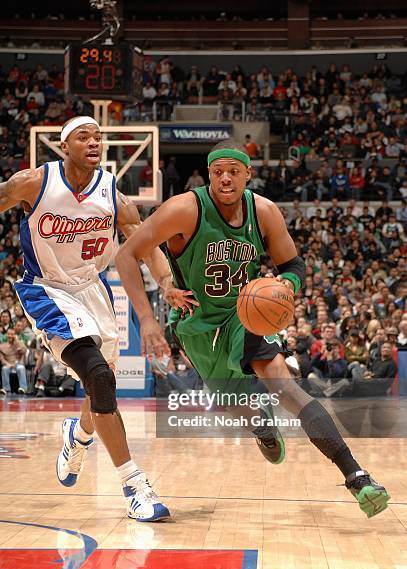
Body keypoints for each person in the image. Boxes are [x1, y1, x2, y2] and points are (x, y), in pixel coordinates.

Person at [116, 139, 390, 518]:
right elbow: (126, 254)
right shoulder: (183, 209)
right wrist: (148, 317)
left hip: (246, 313)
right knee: (234, 405)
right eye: (217, 172)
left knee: (285, 385)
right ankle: (259, 425)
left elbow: (293, 265)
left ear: (248, 173)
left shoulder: (264, 211)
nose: (225, 179)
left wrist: (285, 286)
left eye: (233, 171)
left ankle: (357, 476)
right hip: (196, 322)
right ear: (208, 174)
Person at [0, 116, 195, 522]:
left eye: (98, 138)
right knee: (100, 376)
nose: (93, 143)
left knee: (100, 387)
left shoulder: (113, 195)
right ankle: (133, 484)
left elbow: (146, 245)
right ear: (64, 146)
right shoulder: (33, 183)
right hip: (48, 289)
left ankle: (80, 433)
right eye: (83, 137)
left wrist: (165, 282)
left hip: (93, 290)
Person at [0, 327, 28, 395]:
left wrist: (17, 340)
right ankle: (6, 389)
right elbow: (1, 359)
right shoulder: (2, 346)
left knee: (21, 368)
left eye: (12, 334)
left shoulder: (18, 344)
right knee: (4, 369)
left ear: (15, 335)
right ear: (6, 335)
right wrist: (7, 364)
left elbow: (24, 350)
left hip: (18, 364)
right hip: (8, 364)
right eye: (9, 334)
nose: (10, 336)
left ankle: (23, 388)